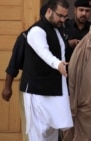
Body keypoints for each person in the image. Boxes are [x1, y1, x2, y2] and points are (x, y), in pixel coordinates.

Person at [19, 0, 73, 140]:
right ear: (49, 11)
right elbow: (44, 52)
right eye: (60, 16)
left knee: (52, 131)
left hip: (55, 89)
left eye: (65, 17)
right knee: (38, 133)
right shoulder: (36, 31)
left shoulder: (57, 29)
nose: (62, 20)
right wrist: (58, 64)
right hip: (37, 91)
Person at [1, 4, 48, 141]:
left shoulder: (57, 36)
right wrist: (7, 87)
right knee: (31, 125)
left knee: (50, 126)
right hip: (30, 86)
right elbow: (13, 64)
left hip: (51, 86)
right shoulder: (26, 37)